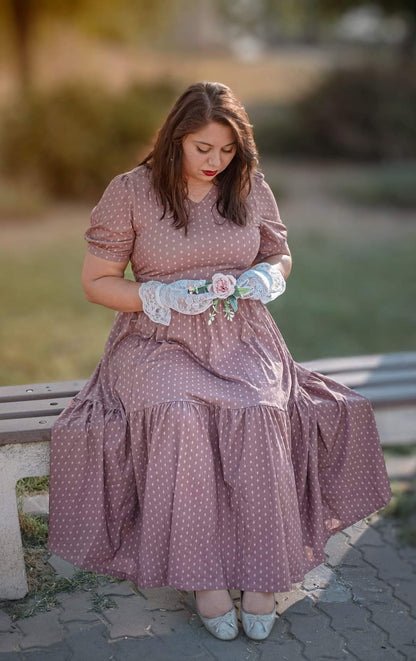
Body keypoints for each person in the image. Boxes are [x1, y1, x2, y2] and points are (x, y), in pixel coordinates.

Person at [47, 81, 392, 642]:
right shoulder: (130, 192)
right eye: (203, 148)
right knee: (178, 414)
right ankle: (202, 577)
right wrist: (162, 295)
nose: (215, 162)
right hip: (153, 340)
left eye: (228, 150)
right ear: (175, 138)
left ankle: (263, 573)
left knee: (260, 411)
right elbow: (96, 283)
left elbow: (278, 254)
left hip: (240, 336)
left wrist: (263, 277)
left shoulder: (249, 188)